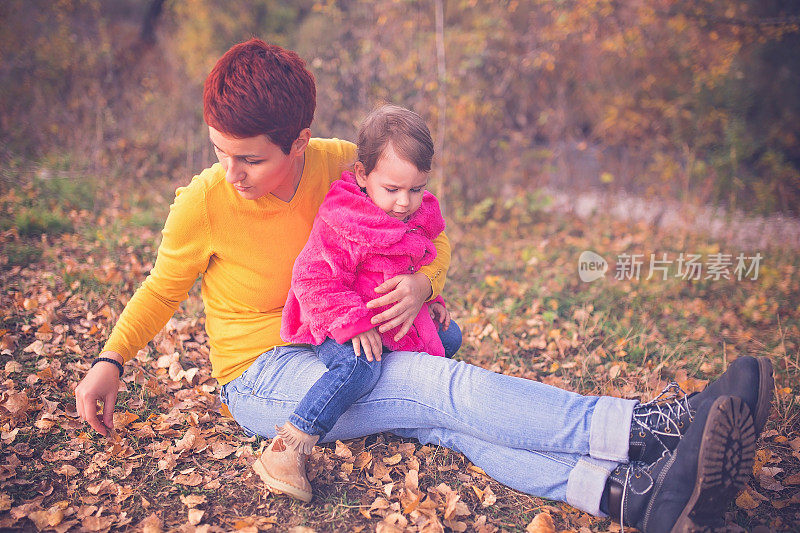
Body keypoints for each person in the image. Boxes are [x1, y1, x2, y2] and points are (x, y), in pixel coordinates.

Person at [74, 38, 773, 532]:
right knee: (444, 388)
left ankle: (627, 494)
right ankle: (646, 425)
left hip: (354, 342)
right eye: (219, 153)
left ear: (299, 140)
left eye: (248, 159)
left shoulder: (348, 167)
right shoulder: (204, 202)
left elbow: (431, 238)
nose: (230, 173)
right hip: (266, 376)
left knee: (446, 420)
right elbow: (162, 288)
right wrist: (110, 359)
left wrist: (419, 283)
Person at [255, 104, 462, 502]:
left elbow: (418, 256)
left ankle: (405, 400)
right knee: (360, 367)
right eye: (393, 189)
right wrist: (354, 323)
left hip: (385, 315)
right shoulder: (345, 221)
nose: (405, 202)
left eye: (416, 189)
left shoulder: (412, 213)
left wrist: (428, 293)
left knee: (450, 337)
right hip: (336, 319)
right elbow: (311, 279)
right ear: (364, 176)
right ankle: (290, 445)